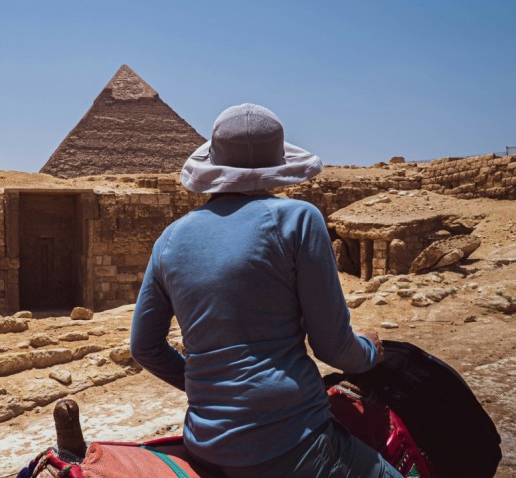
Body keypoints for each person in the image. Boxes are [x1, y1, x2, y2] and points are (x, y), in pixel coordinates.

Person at [130, 103, 401, 477]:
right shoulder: (298, 219)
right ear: (276, 164)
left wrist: (206, 386)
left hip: (204, 443)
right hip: (292, 441)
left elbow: (144, 346)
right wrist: (370, 351)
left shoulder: (170, 239)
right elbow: (332, 347)